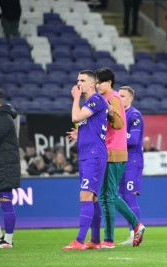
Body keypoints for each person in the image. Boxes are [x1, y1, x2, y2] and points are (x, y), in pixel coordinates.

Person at [95, 67, 145, 248]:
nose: (97, 85)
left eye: (99, 82)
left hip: (114, 152)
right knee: (108, 196)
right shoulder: (106, 99)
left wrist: (109, 111)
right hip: (109, 151)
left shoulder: (112, 99)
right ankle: (135, 225)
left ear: (108, 83)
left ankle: (110, 239)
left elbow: (118, 123)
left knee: (108, 196)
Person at [62, 71, 108, 251]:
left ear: (92, 84)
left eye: (82, 80)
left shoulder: (95, 100)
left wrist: (75, 98)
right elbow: (93, 126)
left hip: (94, 155)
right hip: (87, 154)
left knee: (85, 196)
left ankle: (79, 241)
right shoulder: (92, 103)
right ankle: (95, 240)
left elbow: (76, 117)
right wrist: (79, 133)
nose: (78, 83)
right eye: (77, 80)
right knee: (93, 198)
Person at [116, 86, 145, 246]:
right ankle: (133, 233)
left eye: (123, 96)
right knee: (123, 199)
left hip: (133, 162)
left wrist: (113, 138)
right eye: (118, 95)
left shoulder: (134, 116)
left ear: (130, 98)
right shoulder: (118, 115)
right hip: (121, 161)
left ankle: (136, 233)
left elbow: (133, 140)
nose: (119, 98)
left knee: (129, 197)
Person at [0, 88, 20, 249]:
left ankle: (8, 240)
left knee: (5, 201)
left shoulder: (3, 118)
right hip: (0, 164)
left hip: (5, 166)